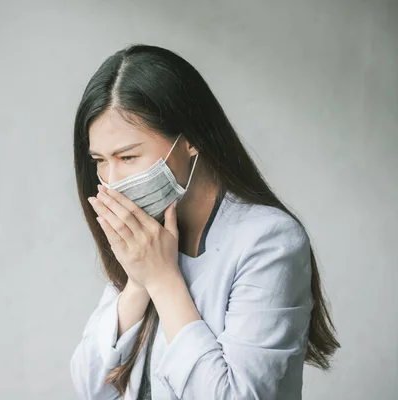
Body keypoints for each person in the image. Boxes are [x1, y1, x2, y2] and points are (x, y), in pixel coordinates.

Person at [69, 44, 339, 400]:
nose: (113, 179)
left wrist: (163, 281)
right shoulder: (148, 238)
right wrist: (137, 282)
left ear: (190, 139)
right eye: (100, 161)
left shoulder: (269, 241)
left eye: (129, 156)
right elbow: (92, 388)